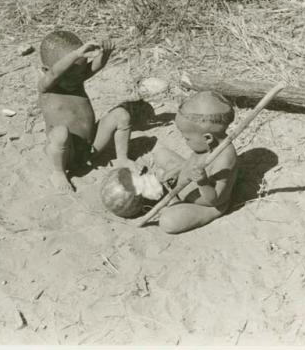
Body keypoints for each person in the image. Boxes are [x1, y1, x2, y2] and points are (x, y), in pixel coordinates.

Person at [38, 30, 134, 192]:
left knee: (121, 115)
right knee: (60, 133)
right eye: (69, 75)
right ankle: (58, 172)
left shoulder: (77, 78)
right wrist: (76, 54)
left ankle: (122, 158)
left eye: (81, 72)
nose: (77, 78)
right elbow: (55, 73)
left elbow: (97, 65)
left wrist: (105, 53)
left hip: (90, 147)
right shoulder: (47, 88)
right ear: (46, 70)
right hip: (66, 152)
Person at [152, 91, 238, 233]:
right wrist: (177, 171)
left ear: (208, 138)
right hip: (189, 181)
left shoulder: (225, 160)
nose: (184, 141)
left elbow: (215, 199)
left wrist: (203, 182)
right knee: (161, 154)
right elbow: (191, 163)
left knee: (168, 222)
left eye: (187, 138)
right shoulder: (204, 145)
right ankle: (174, 198)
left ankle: (186, 206)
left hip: (207, 204)